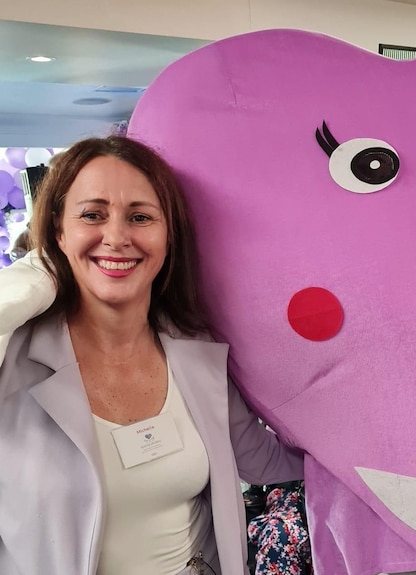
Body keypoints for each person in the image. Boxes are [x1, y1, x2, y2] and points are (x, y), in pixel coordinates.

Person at [0, 136, 304, 575]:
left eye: (140, 217)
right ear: (58, 230)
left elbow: (264, 461)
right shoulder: (14, 359)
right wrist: (37, 277)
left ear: (168, 234)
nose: (117, 237)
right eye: (92, 215)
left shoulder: (195, 351)